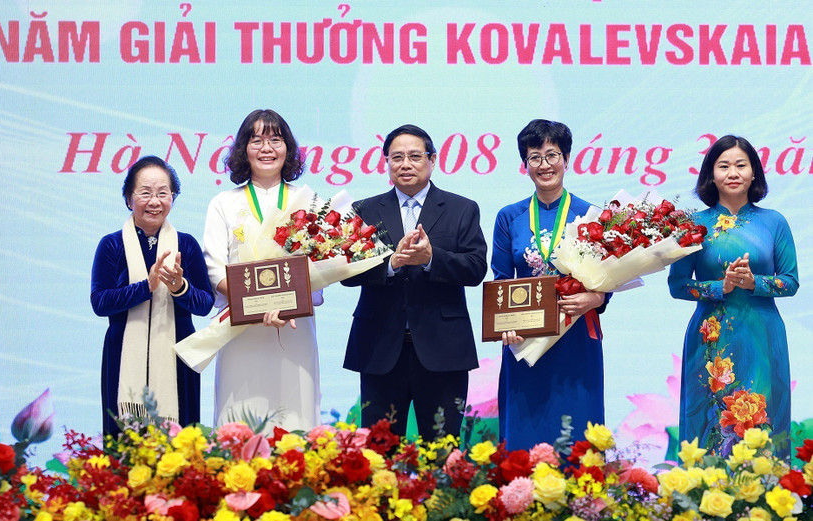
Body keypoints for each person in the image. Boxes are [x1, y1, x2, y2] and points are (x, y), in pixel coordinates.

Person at [342, 124, 487, 441]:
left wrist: (433, 258)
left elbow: (476, 269)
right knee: (378, 454)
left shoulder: (462, 209)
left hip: (443, 351)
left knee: (441, 453)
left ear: (432, 160)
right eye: (397, 157)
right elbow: (346, 273)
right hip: (380, 349)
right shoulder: (363, 211)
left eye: (414, 156)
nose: (405, 164)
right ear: (387, 164)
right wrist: (391, 263)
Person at [668, 135, 798, 458]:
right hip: (711, 337)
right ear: (711, 175)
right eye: (724, 166)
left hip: (762, 336)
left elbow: (791, 281)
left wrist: (755, 282)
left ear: (754, 172)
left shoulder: (774, 222)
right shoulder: (694, 224)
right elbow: (677, 284)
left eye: (742, 165)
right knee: (711, 426)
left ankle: (766, 501)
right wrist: (718, 288)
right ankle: (704, 499)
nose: (733, 172)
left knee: (762, 423)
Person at [492, 119, 610, 450]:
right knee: (524, 436)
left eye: (552, 154)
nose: (544, 165)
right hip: (525, 341)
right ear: (525, 164)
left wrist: (595, 298)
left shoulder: (591, 215)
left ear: (567, 158)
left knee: (577, 434)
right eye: (535, 157)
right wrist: (507, 325)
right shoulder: (508, 217)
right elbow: (502, 281)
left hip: (576, 338)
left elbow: (609, 277)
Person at [203, 109, 322, 430]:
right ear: (243, 149)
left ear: (289, 148)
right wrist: (259, 304)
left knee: (296, 420)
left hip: (294, 327)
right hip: (241, 332)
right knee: (239, 422)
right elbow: (214, 269)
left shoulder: (308, 199)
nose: (266, 148)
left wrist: (282, 304)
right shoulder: (223, 203)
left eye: (275, 139)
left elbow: (321, 263)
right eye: (256, 140)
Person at [91, 156, 214, 436]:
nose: (155, 201)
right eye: (145, 193)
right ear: (128, 198)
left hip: (178, 356)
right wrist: (145, 287)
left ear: (173, 197)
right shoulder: (111, 245)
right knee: (125, 445)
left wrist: (179, 288)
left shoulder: (187, 244)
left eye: (163, 193)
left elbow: (205, 304)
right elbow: (100, 303)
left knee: (180, 447)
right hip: (122, 355)